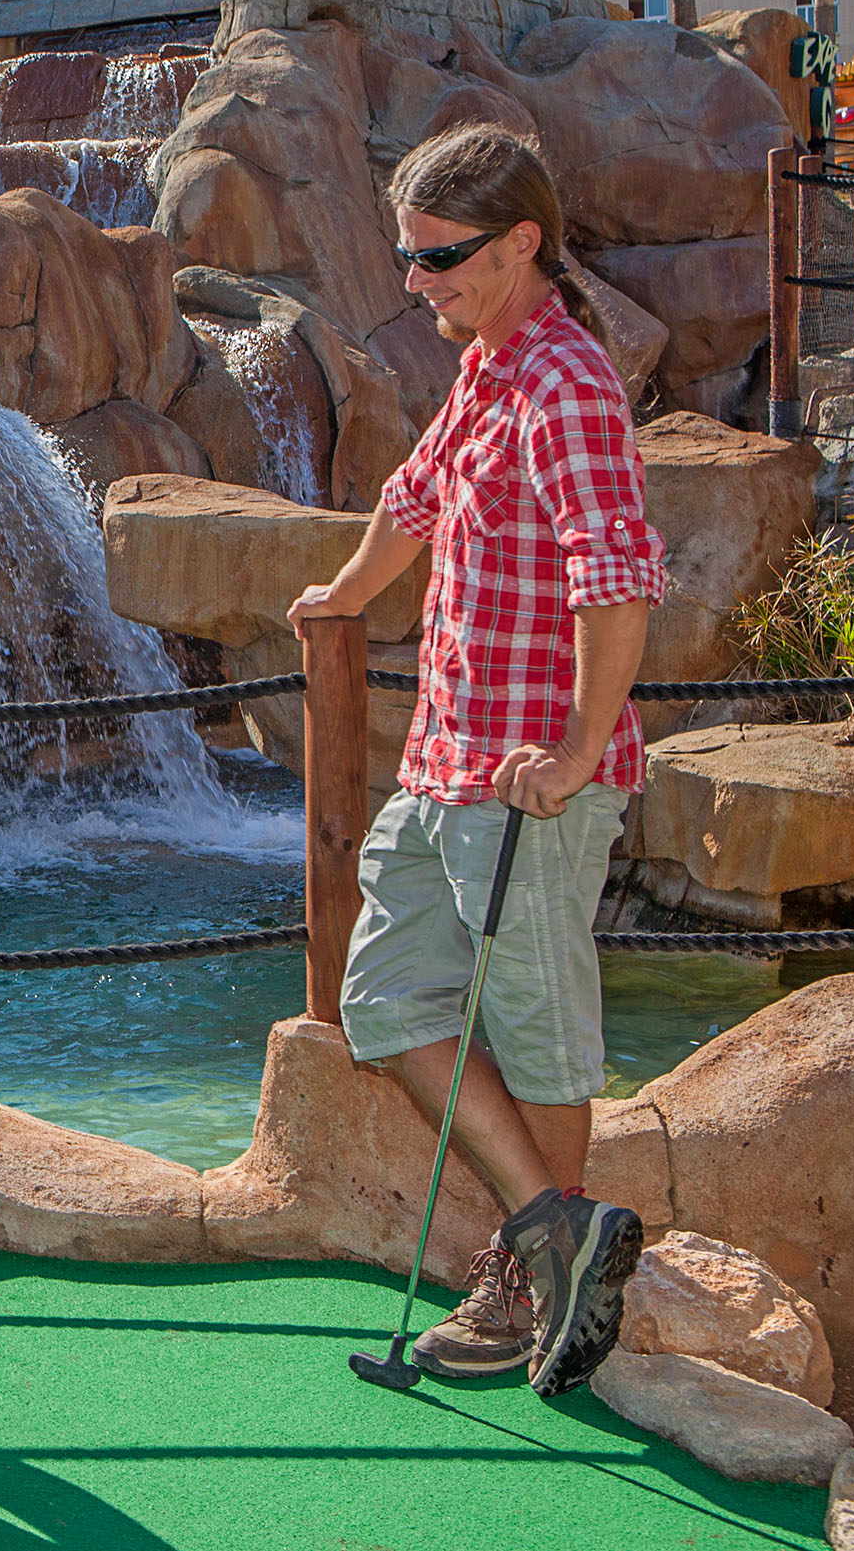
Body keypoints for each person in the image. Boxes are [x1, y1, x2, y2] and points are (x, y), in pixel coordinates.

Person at [285, 123, 666, 1397]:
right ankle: (557, 1228)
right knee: (385, 999)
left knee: (541, 1037)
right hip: (445, 761)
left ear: (520, 244)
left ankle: (528, 1279)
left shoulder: (567, 384)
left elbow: (617, 582)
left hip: (530, 787)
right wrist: (338, 598)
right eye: (406, 252)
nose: (413, 279)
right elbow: (411, 497)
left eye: (439, 256)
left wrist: (569, 752)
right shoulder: (489, 366)